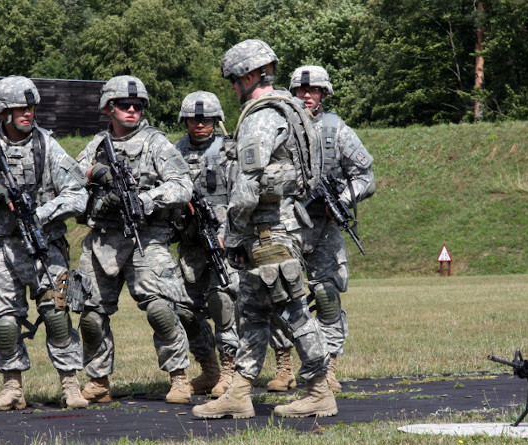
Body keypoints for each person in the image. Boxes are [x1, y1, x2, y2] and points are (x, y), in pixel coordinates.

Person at [192, 40, 336, 419]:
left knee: (293, 310)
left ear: (252, 75)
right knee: (252, 310)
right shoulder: (291, 110)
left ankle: (320, 390)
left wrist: (233, 231)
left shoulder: (260, 116)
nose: (234, 88)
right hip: (280, 224)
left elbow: (248, 183)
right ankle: (239, 392)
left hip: (268, 230)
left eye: (236, 80)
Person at [0, 75, 89, 411]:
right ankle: (12, 388)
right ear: (3, 112)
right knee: (5, 322)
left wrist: (42, 213)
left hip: (45, 242)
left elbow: (78, 193)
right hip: (2, 246)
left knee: (57, 314)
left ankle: (70, 385)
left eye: (31, 107)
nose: (28, 113)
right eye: (19, 108)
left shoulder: (46, 145)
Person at [68, 75, 194, 404]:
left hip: (146, 237)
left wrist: (145, 200)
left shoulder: (156, 143)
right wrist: (96, 173)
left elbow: (183, 185)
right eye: (124, 105)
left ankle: (179, 377)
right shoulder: (96, 145)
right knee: (91, 316)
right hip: (102, 239)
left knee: (161, 310)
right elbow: (67, 177)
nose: (132, 110)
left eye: (138, 106)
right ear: (109, 108)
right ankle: (98, 380)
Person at [266, 66, 376, 395]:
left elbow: (366, 176)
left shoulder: (336, 129)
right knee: (279, 295)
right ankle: (284, 366)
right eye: (301, 90)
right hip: (284, 225)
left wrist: (342, 199)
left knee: (327, 296)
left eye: (314, 90)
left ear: (324, 94)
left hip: (324, 227)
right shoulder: (276, 127)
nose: (307, 95)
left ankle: (327, 368)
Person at [173, 91, 240, 398]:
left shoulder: (230, 152)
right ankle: (210, 370)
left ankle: (229, 370)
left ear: (216, 120)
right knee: (185, 308)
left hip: (223, 241)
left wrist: (229, 232)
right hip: (190, 244)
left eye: (206, 119)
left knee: (223, 301)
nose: (200, 125)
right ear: (184, 121)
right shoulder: (174, 152)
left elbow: (243, 196)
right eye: (193, 120)